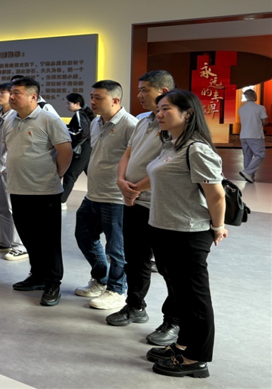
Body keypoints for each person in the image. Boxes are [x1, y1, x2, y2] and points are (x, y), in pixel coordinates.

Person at [136, 90, 226, 379]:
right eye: (159, 109)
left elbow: (216, 195)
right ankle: (184, 344)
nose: (159, 114)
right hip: (164, 229)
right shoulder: (170, 145)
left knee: (194, 297)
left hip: (188, 233)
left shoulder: (196, 149)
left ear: (188, 113)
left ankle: (196, 359)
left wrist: (218, 227)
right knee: (180, 295)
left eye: (167, 109)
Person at [111, 70, 178, 344]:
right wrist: (121, 180)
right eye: (139, 89)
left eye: (145, 90)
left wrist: (136, 187)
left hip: (160, 205)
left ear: (163, 91)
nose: (139, 94)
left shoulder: (175, 123)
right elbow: (128, 153)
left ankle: (173, 321)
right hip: (134, 201)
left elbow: (170, 165)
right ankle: (135, 305)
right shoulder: (142, 120)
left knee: (169, 267)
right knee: (135, 259)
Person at [4, 77, 72, 306]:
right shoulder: (10, 119)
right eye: (11, 92)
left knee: (48, 240)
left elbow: (65, 152)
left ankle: (53, 282)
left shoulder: (49, 119)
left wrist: (55, 175)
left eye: (17, 93)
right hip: (17, 188)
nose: (12, 97)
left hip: (44, 191)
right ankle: (38, 275)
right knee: (28, 236)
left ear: (33, 96)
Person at [74, 80, 138, 310]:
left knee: (116, 248)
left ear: (115, 100)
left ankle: (117, 290)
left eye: (98, 98)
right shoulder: (95, 122)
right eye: (92, 97)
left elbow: (137, 160)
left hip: (115, 197)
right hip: (93, 193)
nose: (92, 101)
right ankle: (101, 279)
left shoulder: (130, 125)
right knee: (84, 236)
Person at [0, 83, 27, 261]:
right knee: (1, 207)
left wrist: (0, 164)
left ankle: (20, 245)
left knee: (13, 208)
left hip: (10, 168)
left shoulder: (15, 117)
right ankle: (5, 241)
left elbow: (13, 145)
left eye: (3, 92)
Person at [61, 93, 95, 210]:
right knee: (92, 174)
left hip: (83, 149)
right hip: (87, 148)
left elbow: (81, 132)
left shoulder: (79, 114)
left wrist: (66, 132)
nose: (67, 105)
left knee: (70, 174)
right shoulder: (84, 114)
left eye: (68, 103)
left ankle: (62, 201)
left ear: (77, 104)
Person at [238, 88, 267, 183]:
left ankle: (249, 176)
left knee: (247, 156)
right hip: (255, 135)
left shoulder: (241, 109)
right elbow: (265, 121)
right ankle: (247, 172)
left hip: (243, 135)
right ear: (255, 96)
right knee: (260, 154)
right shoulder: (260, 108)